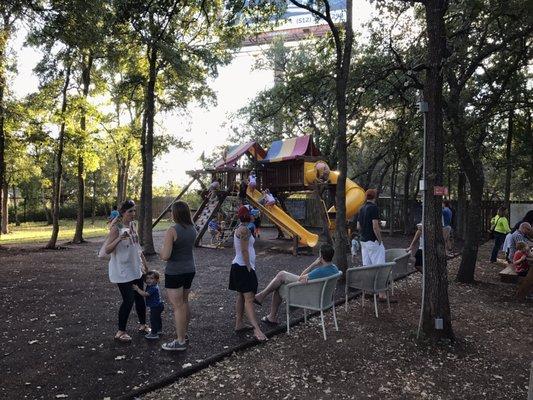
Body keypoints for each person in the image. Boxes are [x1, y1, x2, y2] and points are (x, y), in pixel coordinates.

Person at [254, 244, 339, 324]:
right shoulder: (335, 269)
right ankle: (263, 300)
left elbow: (301, 277)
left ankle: (268, 309)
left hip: (308, 297)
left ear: (321, 256)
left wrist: (313, 264)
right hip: (323, 298)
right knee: (281, 279)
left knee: (280, 282)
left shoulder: (319, 271)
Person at [105, 199, 148, 342]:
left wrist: (145, 264)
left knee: (139, 297)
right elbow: (107, 249)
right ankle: (120, 331)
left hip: (135, 267)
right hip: (122, 269)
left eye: (134, 210)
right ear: (123, 213)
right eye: (130, 211)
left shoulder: (133, 225)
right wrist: (119, 239)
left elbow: (137, 246)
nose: (133, 213)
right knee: (128, 300)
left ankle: (143, 324)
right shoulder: (115, 228)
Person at [160, 201, 197, 351]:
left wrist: (160, 251)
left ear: (175, 213)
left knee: (178, 306)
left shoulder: (172, 230)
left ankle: (180, 341)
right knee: (184, 302)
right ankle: (184, 334)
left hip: (175, 271)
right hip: (190, 269)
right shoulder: (192, 228)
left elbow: (166, 255)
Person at [228, 205, 267, 342]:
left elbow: (238, 247)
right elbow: (244, 250)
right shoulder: (244, 230)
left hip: (239, 266)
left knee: (241, 296)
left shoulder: (241, 228)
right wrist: (249, 267)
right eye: (251, 213)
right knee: (249, 299)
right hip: (243, 267)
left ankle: (239, 324)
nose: (253, 215)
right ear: (247, 215)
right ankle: (257, 329)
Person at [133, 270, 164, 340]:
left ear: (156, 280)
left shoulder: (153, 288)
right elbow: (145, 278)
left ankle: (154, 333)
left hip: (155, 307)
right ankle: (159, 330)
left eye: (151, 278)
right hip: (158, 305)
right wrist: (141, 270)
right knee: (157, 318)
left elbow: (145, 294)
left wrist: (137, 289)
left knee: (153, 319)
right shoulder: (152, 284)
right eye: (147, 278)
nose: (149, 280)